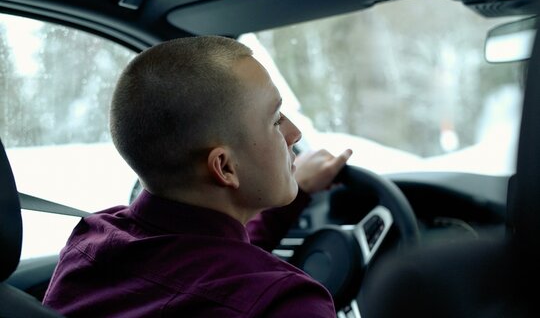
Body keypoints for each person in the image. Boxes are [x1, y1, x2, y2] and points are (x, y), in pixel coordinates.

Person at [43, 36, 352, 317]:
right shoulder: (286, 303)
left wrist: (293, 198)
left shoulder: (90, 243)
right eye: (275, 120)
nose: (295, 133)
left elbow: (201, 263)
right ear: (225, 168)